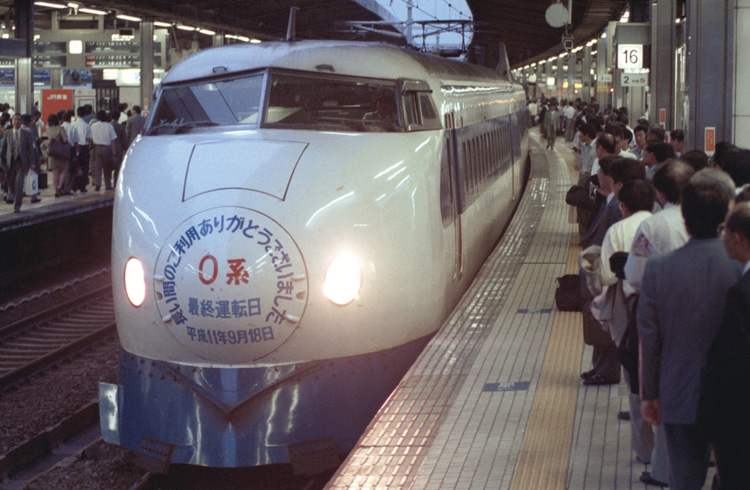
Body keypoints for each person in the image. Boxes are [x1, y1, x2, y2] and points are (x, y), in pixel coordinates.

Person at [639, 168, 741, 490]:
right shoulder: (741, 269)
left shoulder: (658, 270)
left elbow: (650, 339)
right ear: (728, 213)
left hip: (678, 391)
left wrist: (649, 394)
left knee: (683, 481)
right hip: (734, 398)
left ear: (684, 217)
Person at [624, 159, 695, 487]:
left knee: (666, 396)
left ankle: (664, 471)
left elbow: (636, 276)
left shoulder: (653, 226)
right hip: (708, 321)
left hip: (664, 320)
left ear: (660, 192)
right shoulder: (710, 220)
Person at [698, 202, 750, 490]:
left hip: (740, 424)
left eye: (724, 231)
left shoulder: (741, 294)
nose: (722, 238)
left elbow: (733, 366)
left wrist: (713, 424)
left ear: (738, 238)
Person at [579, 155, 623, 385]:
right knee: (598, 322)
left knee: (605, 325)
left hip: (604, 273)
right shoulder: (608, 201)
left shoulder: (616, 206)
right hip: (598, 272)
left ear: (610, 177)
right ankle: (599, 367)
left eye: (602, 174)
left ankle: (608, 371)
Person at [0, 113, 37, 212]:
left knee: (19, 183)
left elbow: (31, 149)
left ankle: (17, 206)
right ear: (12, 121)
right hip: (10, 162)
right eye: (15, 120)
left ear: (21, 122)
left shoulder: (27, 133)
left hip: (22, 162)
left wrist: (32, 163)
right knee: (10, 183)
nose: (16, 122)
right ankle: (17, 194)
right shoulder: (7, 133)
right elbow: (3, 147)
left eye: (19, 120)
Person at [42, 113, 69, 197]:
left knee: (55, 172)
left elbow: (44, 143)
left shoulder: (47, 130)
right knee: (63, 170)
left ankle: (55, 190)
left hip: (51, 154)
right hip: (61, 153)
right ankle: (60, 186)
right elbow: (65, 140)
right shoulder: (61, 128)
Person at [90, 110, 118, 191]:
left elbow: (91, 138)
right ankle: (108, 184)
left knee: (97, 167)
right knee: (107, 167)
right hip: (107, 148)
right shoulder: (109, 126)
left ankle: (97, 184)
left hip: (97, 148)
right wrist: (114, 151)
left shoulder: (93, 126)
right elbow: (112, 140)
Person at [71, 106, 92, 193]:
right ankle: (82, 187)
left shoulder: (73, 125)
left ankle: (74, 186)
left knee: (75, 167)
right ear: (84, 115)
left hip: (74, 148)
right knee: (84, 167)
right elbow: (89, 139)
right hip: (83, 148)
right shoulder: (87, 125)